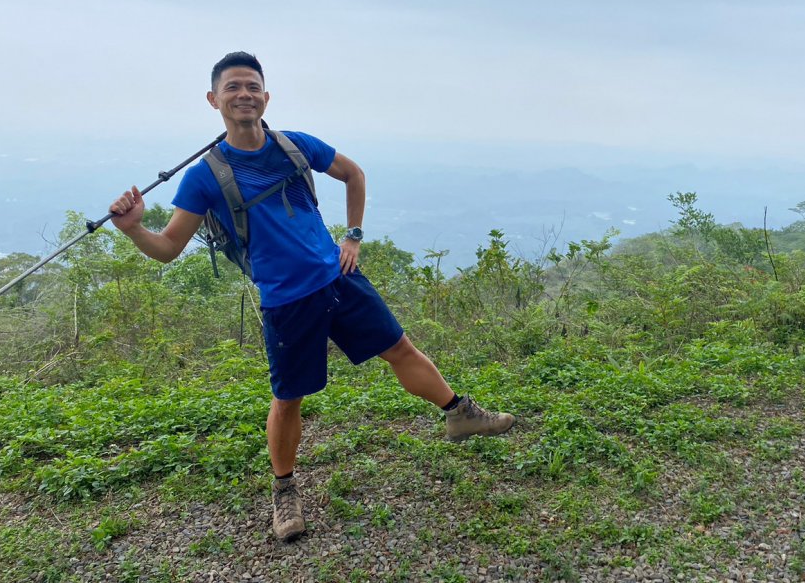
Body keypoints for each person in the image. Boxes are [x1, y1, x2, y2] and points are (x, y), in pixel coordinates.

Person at [109, 51, 515, 541]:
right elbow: (168, 248)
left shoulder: (295, 146)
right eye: (233, 87)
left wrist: (353, 236)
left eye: (252, 86)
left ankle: (460, 415)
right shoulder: (205, 176)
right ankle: (284, 490)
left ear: (266, 96)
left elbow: (353, 174)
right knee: (288, 399)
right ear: (213, 100)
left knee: (400, 349)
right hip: (285, 300)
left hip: (338, 276)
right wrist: (134, 230)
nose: (244, 94)